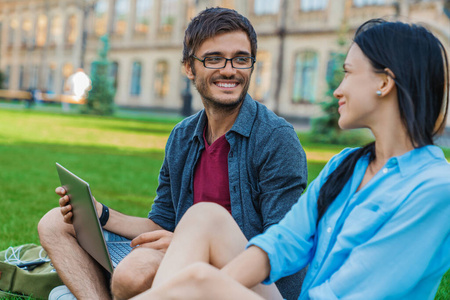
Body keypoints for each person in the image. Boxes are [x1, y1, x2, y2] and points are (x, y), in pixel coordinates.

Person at [132, 18, 450, 300]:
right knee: (204, 221)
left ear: (384, 82)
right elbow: (283, 242)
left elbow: (354, 290)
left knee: (199, 281)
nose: (338, 90)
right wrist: (209, 288)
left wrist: (206, 287)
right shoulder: (346, 165)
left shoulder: (435, 189)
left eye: (348, 73)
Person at [37, 7, 307, 300]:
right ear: (189, 68)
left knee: (133, 272)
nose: (229, 70)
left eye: (241, 59)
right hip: (179, 254)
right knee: (54, 223)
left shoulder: (275, 139)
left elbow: (280, 247)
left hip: (248, 280)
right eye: (214, 59)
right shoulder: (183, 136)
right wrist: (100, 213)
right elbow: (160, 223)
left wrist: (184, 242)